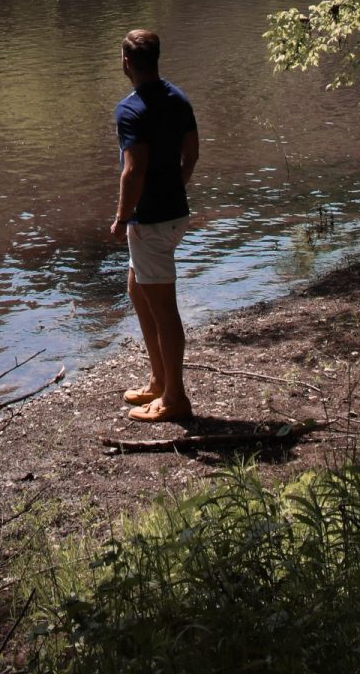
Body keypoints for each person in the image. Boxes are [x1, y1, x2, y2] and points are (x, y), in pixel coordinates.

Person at [110, 27, 199, 423]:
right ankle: (159, 379)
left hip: (151, 220)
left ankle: (175, 398)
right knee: (138, 289)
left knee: (164, 310)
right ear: (156, 58)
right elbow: (192, 154)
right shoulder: (178, 98)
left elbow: (133, 171)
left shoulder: (130, 109)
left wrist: (121, 218)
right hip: (174, 213)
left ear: (127, 62)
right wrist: (174, 188)